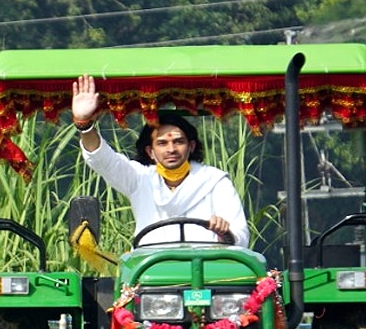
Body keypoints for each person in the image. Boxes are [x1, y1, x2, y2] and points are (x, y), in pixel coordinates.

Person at [70, 74, 250, 248]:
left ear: (191, 146)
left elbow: (241, 236)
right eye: (162, 143)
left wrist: (224, 233)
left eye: (178, 142)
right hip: (149, 272)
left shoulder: (215, 181)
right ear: (150, 151)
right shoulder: (139, 178)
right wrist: (84, 124)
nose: (171, 149)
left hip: (206, 272)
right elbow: (103, 160)